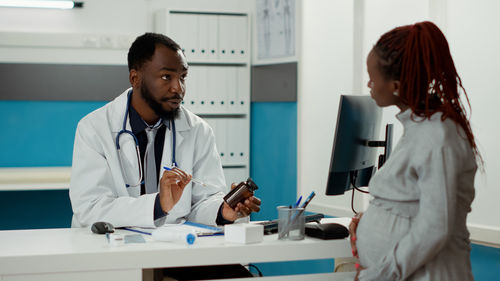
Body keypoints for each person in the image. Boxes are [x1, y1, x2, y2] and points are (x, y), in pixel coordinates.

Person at [69, 32, 261, 230]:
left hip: (171, 248)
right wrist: (158, 205)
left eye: (183, 77)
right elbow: (90, 208)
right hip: (110, 251)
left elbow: (202, 201)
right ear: (135, 78)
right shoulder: (94, 128)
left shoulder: (198, 131)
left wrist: (222, 212)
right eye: (166, 76)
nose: (178, 88)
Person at [349, 21, 481, 281]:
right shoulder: (420, 128)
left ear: (396, 86)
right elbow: (412, 203)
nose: (369, 85)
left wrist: (377, 275)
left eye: (373, 79)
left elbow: (435, 227)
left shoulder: (437, 135)